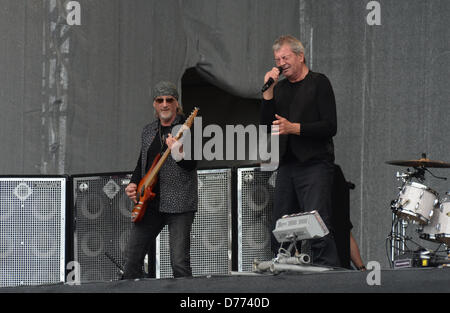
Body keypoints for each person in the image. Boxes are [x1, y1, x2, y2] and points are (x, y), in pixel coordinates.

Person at [260, 35, 340, 267]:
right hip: (287, 165)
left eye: (285, 57)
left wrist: (295, 128)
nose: (280, 62)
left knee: (316, 221)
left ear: (300, 56)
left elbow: (330, 126)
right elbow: (266, 126)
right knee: (282, 223)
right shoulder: (280, 89)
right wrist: (268, 93)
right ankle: (283, 271)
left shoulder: (319, 83)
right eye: (277, 59)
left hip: (315, 163)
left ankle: (328, 270)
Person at [123, 81, 198, 279]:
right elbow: (143, 162)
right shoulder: (148, 131)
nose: (164, 104)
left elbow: (192, 165)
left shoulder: (188, 129)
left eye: (169, 100)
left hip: (179, 203)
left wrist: (178, 152)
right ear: (154, 104)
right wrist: (133, 183)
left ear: (176, 104)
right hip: (150, 202)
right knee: (131, 259)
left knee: (179, 263)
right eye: (160, 100)